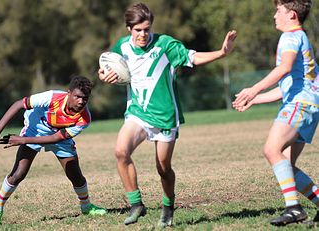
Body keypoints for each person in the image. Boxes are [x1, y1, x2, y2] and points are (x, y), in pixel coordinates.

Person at [98, 2, 237, 227]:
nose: (143, 34)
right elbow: (106, 66)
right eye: (138, 30)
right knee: (120, 152)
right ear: (128, 29)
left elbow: (193, 58)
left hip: (164, 116)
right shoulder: (122, 47)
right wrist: (104, 75)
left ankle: (168, 207)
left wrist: (222, 52)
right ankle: (136, 205)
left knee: (163, 167)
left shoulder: (166, 45)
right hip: (137, 112)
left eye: (147, 29)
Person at [0, 76, 107, 227]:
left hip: (58, 137)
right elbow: (19, 104)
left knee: (75, 174)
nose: (81, 101)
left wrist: (23, 140)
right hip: (35, 130)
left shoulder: (84, 119)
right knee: (19, 173)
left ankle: (86, 207)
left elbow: (56, 138)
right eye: (77, 96)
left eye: (85, 98)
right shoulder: (52, 97)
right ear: (68, 93)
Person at [233, 0, 319, 226]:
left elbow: (284, 68)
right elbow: (285, 88)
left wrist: (253, 89)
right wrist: (255, 99)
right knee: (286, 166)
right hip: (308, 106)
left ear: (291, 15)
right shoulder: (301, 37)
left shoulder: (290, 37)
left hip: (299, 106)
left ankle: (293, 208)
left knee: (271, 150)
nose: (274, 16)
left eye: (278, 11)